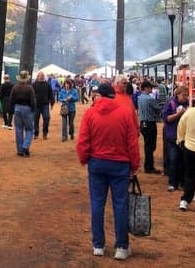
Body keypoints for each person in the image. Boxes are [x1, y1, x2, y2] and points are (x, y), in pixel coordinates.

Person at [76, 83, 140, 261]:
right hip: (120, 164)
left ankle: (98, 245)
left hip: (97, 162)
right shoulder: (125, 113)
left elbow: (83, 140)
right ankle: (121, 246)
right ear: (113, 95)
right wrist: (135, 164)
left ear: (99, 95)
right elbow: (132, 142)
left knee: (97, 204)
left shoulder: (90, 113)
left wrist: (84, 158)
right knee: (120, 205)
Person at [161, 86, 189, 191]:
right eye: (183, 95)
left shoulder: (188, 104)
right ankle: (172, 183)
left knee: (183, 161)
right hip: (172, 136)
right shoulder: (171, 103)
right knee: (173, 160)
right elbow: (166, 119)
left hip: (185, 137)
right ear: (178, 94)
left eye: (187, 95)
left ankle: (182, 182)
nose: (185, 97)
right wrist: (178, 114)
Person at [9, 71, 37, 157]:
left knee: (18, 129)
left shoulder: (15, 87)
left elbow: (11, 100)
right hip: (27, 108)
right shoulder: (29, 88)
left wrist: (12, 110)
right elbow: (33, 101)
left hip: (17, 108)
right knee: (29, 129)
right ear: (26, 78)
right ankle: (25, 146)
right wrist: (33, 109)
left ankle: (20, 150)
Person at [137, 80, 162, 174]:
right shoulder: (149, 99)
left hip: (143, 123)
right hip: (150, 123)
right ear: (146, 88)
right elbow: (158, 108)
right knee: (151, 146)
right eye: (150, 87)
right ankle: (149, 166)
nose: (151, 89)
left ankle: (148, 165)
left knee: (148, 145)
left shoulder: (140, 98)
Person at [32, 71, 54, 140]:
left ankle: (45, 133)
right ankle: (36, 133)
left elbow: (51, 94)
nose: (41, 76)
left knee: (47, 118)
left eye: (42, 75)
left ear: (44, 76)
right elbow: (31, 95)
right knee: (35, 120)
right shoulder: (34, 84)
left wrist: (52, 103)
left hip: (45, 105)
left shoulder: (47, 84)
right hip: (36, 105)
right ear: (37, 76)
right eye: (40, 75)